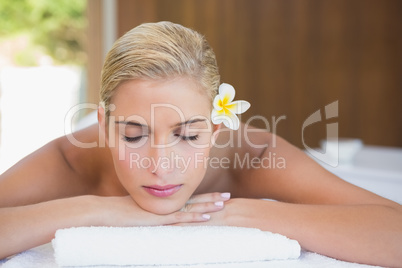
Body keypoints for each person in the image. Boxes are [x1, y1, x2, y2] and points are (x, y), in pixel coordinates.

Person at [0, 21, 400, 267]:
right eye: (134, 135)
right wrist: (92, 209)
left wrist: (241, 214)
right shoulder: (71, 161)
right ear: (105, 127)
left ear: (217, 126)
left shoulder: (254, 156)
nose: (162, 166)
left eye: (189, 135)